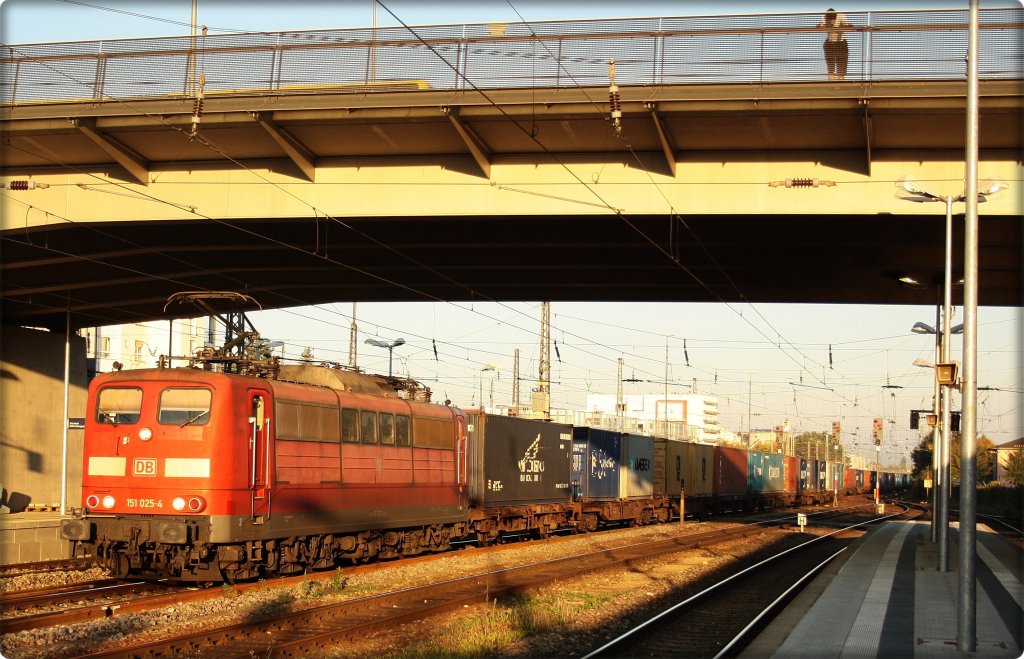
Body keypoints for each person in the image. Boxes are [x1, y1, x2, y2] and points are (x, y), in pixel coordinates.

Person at [818, 8, 849, 80]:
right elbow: (818, 26)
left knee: (841, 67)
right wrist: (826, 26)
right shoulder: (824, 17)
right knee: (830, 67)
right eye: (828, 18)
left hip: (841, 43)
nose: (831, 20)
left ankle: (840, 82)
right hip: (830, 42)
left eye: (832, 18)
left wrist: (837, 28)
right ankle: (831, 82)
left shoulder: (841, 16)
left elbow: (848, 26)